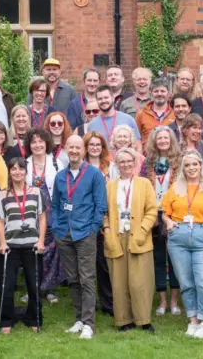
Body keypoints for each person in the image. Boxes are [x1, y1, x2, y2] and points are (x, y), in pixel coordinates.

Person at [161, 150, 203, 339]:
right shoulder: (176, 187)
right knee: (186, 281)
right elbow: (165, 212)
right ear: (183, 168)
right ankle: (193, 320)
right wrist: (168, 222)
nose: (191, 168)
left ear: (201, 165)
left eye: (195, 164)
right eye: (187, 165)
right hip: (179, 237)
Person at [51, 134, 108, 340]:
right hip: (64, 233)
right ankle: (79, 319)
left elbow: (101, 206)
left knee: (87, 279)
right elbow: (55, 205)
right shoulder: (60, 176)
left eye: (77, 147)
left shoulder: (94, 174)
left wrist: (93, 229)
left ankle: (89, 324)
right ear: (66, 149)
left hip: (85, 233)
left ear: (83, 150)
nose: (74, 151)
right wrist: (56, 228)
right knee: (73, 279)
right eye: (70, 148)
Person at [103, 147, 158, 332]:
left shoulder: (144, 183)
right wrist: (108, 231)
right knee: (119, 281)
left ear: (135, 163)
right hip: (116, 237)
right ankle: (123, 320)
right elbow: (103, 212)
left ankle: (144, 319)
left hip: (139, 236)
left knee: (140, 281)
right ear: (117, 165)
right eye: (122, 162)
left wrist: (143, 230)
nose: (126, 164)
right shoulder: (110, 185)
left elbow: (151, 210)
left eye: (129, 161)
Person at [0, 157, 46, 333]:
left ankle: (33, 318)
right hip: (10, 246)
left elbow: (42, 217)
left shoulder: (36, 192)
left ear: (26, 171)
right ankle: (6, 321)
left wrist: (41, 240)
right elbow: (0, 220)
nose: (17, 172)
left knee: (34, 284)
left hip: (32, 245)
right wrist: (2, 242)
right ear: (9, 172)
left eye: (21, 169)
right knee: (7, 285)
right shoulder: (2, 194)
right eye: (13, 169)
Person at [142, 126, 182, 315]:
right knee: (158, 257)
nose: (163, 141)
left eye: (166, 138)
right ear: (154, 141)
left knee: (174, 257)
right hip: (153, 214)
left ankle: (174, 302)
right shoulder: (148, 162)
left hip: (173, 214)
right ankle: (162, 302)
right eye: (160, 139)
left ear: (171, 140)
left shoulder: (179, 161)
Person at [25, 128, 66, 304]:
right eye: (33, 142)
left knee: (51, 251)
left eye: (41, 141)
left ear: (46, 143)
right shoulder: (24, 164)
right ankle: (32, 290)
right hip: (30, 214)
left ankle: (49, 289)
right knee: (31, 251)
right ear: (29, 145)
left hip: (52, 213)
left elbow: (63, 191)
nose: (37, 145)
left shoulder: (57, 163)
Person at [83, 131, 115, 316]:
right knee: (87, 265)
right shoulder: (81, 167)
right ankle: (88, 302)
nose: (95, 148)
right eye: (91, 144)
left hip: (108, 219)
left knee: (104, 264)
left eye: (98, 145)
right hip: (86, 219)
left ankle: (108, 302)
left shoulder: (111, 168)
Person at [178, 114, 203, 180]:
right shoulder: (177, 149)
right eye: (194, 127)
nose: (198, 131)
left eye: (200, 128)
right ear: (185, 130)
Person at [135, 78, 176, 144]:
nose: (159, 94)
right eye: (156, 91)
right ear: (151, 93)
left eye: (163, 91)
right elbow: (136, 138)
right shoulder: (141, 114)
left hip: (170, 153)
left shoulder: (175, 113)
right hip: (147, 153)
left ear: (168, 93)